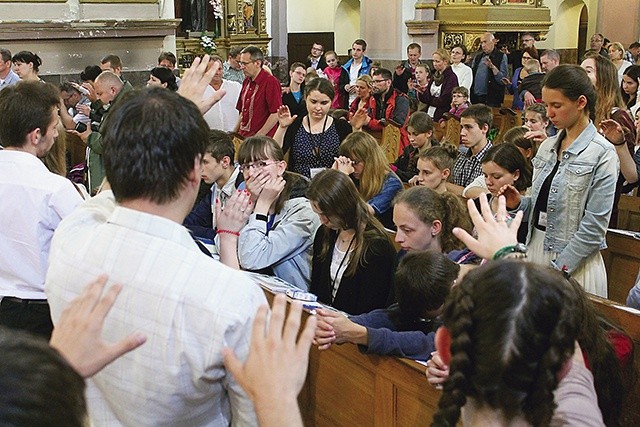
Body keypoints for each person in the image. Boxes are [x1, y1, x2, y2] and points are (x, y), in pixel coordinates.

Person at [46, 56, 267, 426]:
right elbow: (254, 418)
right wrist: (181, 117)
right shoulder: (230, 297)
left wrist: (178, 113)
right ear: (196, 170)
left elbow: (105, 195)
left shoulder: (72, 236)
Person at [499, 64, 618, 297]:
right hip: (536, 250)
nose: (549, 113)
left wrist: (559, 269)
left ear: (581, 103)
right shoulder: (546, 147)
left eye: (557, 105)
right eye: (546, 105)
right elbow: (541, 205)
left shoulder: (602, 153)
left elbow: (594, 227)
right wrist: (519, 203)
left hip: (574, 264)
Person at [0, 81, 82, 340]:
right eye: (54, 124)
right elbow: (87, 250)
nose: (57, 133)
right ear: (36, 135)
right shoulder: (54, 190)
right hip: (38, 311)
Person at [313, 250, 459, 360]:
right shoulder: (437, 275)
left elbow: (433, 344)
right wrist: (340, 324)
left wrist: (363, 335)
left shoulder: (476, 298)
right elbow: (395, 315)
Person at [236, 136, 320, 290]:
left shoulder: (304, 212)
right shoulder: (252, 200)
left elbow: (251, 258)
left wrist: (261, 205)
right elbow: (223, 242)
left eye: (261, 164)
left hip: (293, 302)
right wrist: (250, 204)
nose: (252, 173)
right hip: (254, 289)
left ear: (281, 167)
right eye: (246, 166)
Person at [308, 169, 396, 315]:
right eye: (319, 214)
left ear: (344, 207)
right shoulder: (324, 234)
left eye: (327, 214)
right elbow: (316, 289)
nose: (323, 221)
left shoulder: (376, 246)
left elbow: (372, 308)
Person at [581, 52, 638, 227]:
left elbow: (630, 175)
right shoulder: (582, 112)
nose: (581, 75)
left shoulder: (618, 117)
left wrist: (618, 143)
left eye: (588, 71)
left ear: (603, 78)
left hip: (599, 206)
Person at [274, 77, 352, 178]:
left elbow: (352, 158)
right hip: (299, 186)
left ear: (331, 102)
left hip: (331, 187)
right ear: (305, 99)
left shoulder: (342, 127)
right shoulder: (295, 125)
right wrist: (282, 127)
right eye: (313, 102)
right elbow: (274, 154)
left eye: (324, 103)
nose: (318, 108)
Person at [72, 71, 133, 194]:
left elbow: (111, 143)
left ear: (113, 90)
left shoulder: (126, 107)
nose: (98, 97)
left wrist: (90, 138)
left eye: (99, 94)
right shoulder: (120, 103)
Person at [333, 131, 403, 229]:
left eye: (355, 162)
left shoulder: (391, 183)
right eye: (348, 163)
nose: (352, 168)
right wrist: (334, 176)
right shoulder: (354, 176)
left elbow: (364, 213)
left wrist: (343, 179)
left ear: (369, 159)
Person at [183, 130, 244, 242]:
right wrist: (216, 234)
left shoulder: (244, 188)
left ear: (225, 162)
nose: (199, 168)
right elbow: (189, 222)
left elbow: (239, 238)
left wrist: (218, 234)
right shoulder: (212, 186)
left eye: (205, 162)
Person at [235, 45, 282, 137]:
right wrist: (234, 132)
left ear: (257, 63)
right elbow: (243, 111)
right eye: (241, 63)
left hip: (262, 140)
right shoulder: (246, 81)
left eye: (245, 64)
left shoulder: (270, 81)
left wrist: (259, 136)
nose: (242, 67)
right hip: (244, 136)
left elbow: (275, 113)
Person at [448, 104, 494, 195]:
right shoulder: (460, 156)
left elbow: (476, 194)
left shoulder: (494, 159)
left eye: (468, 127)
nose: (462, 133)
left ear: (484, 128)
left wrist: (441, 184)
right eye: (462, 127)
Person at [391, 111, 437, 182]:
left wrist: (393, 169)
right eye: (409, 134)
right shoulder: (409, 150)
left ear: (429, 133)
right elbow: (396, 165)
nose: (411, 139)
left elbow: (415, 176)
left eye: (416, 134)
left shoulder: (437, 155)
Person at [202, 55, 242, 132]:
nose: (217, 73)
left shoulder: (236, 87)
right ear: (205, 71)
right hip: (208, 136)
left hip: (233, 135)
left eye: (219, 69)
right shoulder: (199, 89)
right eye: (213, 69)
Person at [419, 48, 459, 121]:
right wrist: (420, 91)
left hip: (442, 115)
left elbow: (444, 100)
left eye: (437, 61)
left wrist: (429, 99)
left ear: (445, 62)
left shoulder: (451, 78)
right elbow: (426, 97)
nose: (434, 64)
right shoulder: (434, 76)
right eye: (433, 61)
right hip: (429, 112)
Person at [470, 32, 508, 107]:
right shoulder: (478, 57)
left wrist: (492, 67)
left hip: (492, 99)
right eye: (481, 42)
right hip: (475, 98)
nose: (483, 45)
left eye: (485, 42)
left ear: (493, 41)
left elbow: (503, 80)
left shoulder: (501, 56)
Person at [343, 39, 373, 105]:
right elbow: (341, 83)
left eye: (358, 50)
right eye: (353, 49)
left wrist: (358, 86)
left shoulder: (368, 66)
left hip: (363, 100)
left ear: (364, 52)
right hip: (348, 99)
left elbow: (371, 84)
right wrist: (345, 86)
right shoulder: (345, 66)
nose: (355, 52)